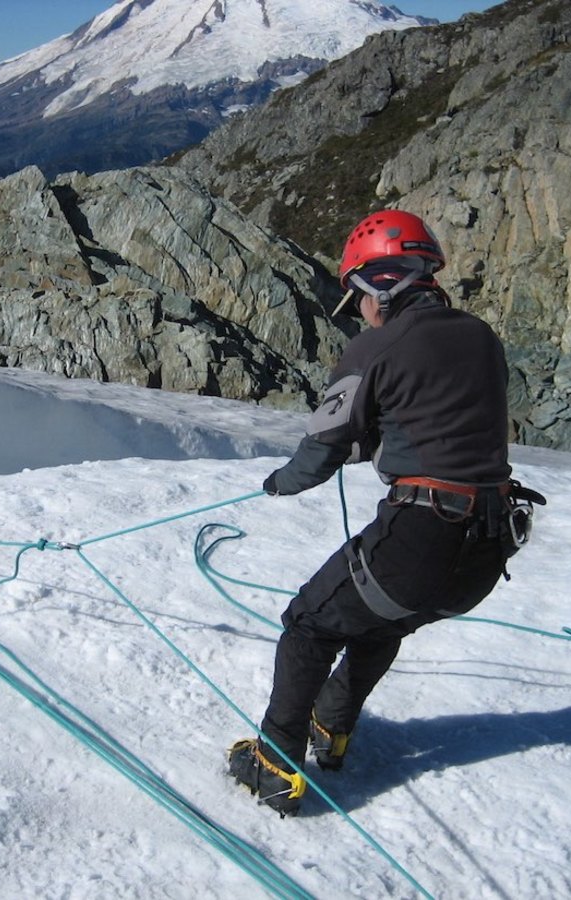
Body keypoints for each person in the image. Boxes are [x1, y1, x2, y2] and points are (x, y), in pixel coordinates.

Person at [227, 210, 543, 816]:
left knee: (310, 622)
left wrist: (278, 484)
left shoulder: (372, 348)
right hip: (488, 545)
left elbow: (319, 454)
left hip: (421, 536)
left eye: (357, 295)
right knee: (383, 621)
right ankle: (333, 727)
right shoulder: (480, 336)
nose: (359, 310)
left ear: (379, 283)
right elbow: (442, 420)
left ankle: (275, 763)